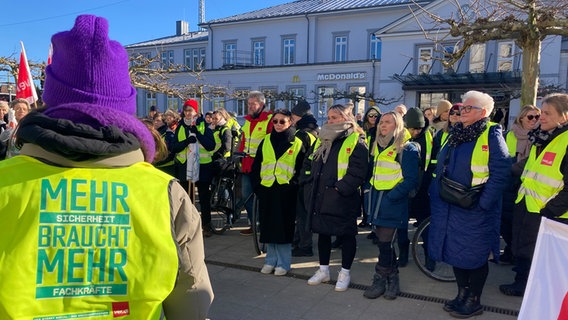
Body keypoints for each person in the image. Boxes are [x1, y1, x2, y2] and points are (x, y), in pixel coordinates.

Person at [0, 15, 213, 319]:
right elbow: (193, 305)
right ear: (124, 109)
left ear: (51, 103)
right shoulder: (166, 194)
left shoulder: (4, 183)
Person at [428, 90, 509, 318]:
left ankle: (474, 300)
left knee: (474, 256)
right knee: (455, 253)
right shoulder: (456, 133)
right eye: (462, 107)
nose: (461, 111)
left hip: (475, 209)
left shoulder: (491, 134)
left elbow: (501, 172)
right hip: (450, 205)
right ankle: (462, 294)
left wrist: (483, 203)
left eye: (467, 108)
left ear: (482, 112)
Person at [500, 94, 568, 297]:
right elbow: (529, 167)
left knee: (540, 256)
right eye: (541, 112)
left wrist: (549, 211)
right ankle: (522, 284)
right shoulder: (544, 137)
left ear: (564, 117)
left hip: (548, 213)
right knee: (525, 250)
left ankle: (529, 290)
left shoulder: (563, 141)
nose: (541, 117)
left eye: (547, 113)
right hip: (529, 206)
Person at [304, 104, 368, 292]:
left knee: (346, 235)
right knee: (323, 233)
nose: (330, 121)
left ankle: (344, 273)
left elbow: (358, 171)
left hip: (342, 198)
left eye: (334, 117)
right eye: (329, 117)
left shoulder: (356, 139)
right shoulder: (323, 137)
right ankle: (324, 270)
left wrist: (339, 189)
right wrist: (309, 184)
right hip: (321, 195)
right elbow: (312, 162)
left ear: (346, 118)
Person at [363, 111, 420, 300]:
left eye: (387, 122)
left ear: (397, 125)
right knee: (383, 243)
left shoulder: (407, 148)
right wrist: (368, 191)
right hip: (377, 201)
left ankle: (382, 278)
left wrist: (392, 196)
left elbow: (411, 179)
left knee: (385, 243)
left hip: (392, 202)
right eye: (381, 122)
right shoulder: (377, 145)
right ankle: (391, 278)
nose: (382, 125)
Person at [251, 109, 306, 275]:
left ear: (290, 122)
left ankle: (284, 262)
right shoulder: (266, 140)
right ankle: (270, 260)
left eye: (282, 121)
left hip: (286, 191)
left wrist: (293, 186)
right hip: (267, 189)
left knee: (284, 227)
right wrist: (258, 187)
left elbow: (302, 168)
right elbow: (256, 166)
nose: (278, 124)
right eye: (275, 121)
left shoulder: (297, 142)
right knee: (268, 226)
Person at [499, 105, 541, 264]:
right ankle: (511, 250)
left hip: (527, 182)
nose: (535, 120)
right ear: (521, 117)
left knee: (519, 223)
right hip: (510, 181)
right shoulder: (510, 135)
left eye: (537, 117)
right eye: (531, 117)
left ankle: (514, 253)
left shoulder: (540, 136)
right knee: (506, 222)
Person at [398, 107, 434, 268]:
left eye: (418, 128)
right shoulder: (400, 138)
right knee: (401, 225)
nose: (416, 132)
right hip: (404, 187)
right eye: (413, 129)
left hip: (423, 188)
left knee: (425, 225)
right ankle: (403, 255)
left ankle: (429, 257)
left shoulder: (430, 136)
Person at [175, 99, 216, 236]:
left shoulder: (204, 125)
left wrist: (197, 134)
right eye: (185, 111)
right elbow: (173, 147)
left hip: (203, 167)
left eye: (190, 111)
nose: (188, 113)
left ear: (196, 112)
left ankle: (206, 225)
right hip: (185, 166)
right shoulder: (180, 126)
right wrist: (187, 141)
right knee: (187, 198)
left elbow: (211, 146)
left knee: (204, 198)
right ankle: (188, 224)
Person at [238, 91, 273, 235]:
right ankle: (255, 223)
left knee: (263, 196)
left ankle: (264, 223)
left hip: (263, 165)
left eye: (254, 104)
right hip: (247, 163)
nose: (250, 106)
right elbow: (244, 140)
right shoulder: (248, 121)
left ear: (262, 104)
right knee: (246, 195)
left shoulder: (270, 119)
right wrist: (239, 155)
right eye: (249, 104)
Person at [290, 99, 319, 257]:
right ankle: (298, 240)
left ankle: (304, 245)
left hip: (300, 178)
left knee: (302, 214)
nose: (292, 121)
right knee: (304, 213)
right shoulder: (314, 130)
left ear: (299, 117)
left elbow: (297, 157)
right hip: (310, 177)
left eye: (293, 118)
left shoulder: (301, 134)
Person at [361, 106, 381, 231]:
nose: (373, 118)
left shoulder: (380, 130)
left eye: (375, 115)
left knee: (372, 194)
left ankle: (372, 222)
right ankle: (365, 218)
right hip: (364, 165)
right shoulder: (363, 131)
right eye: (370, 115)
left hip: (375, 166)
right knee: (364, 193)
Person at [154, 109, 181, 176]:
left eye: (158, 121)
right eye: (154, 120)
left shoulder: (172, 131)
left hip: (168, 166)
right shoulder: (161, 131)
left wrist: (158, 161)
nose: (155, 122)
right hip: (159, 165)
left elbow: (170, 150)